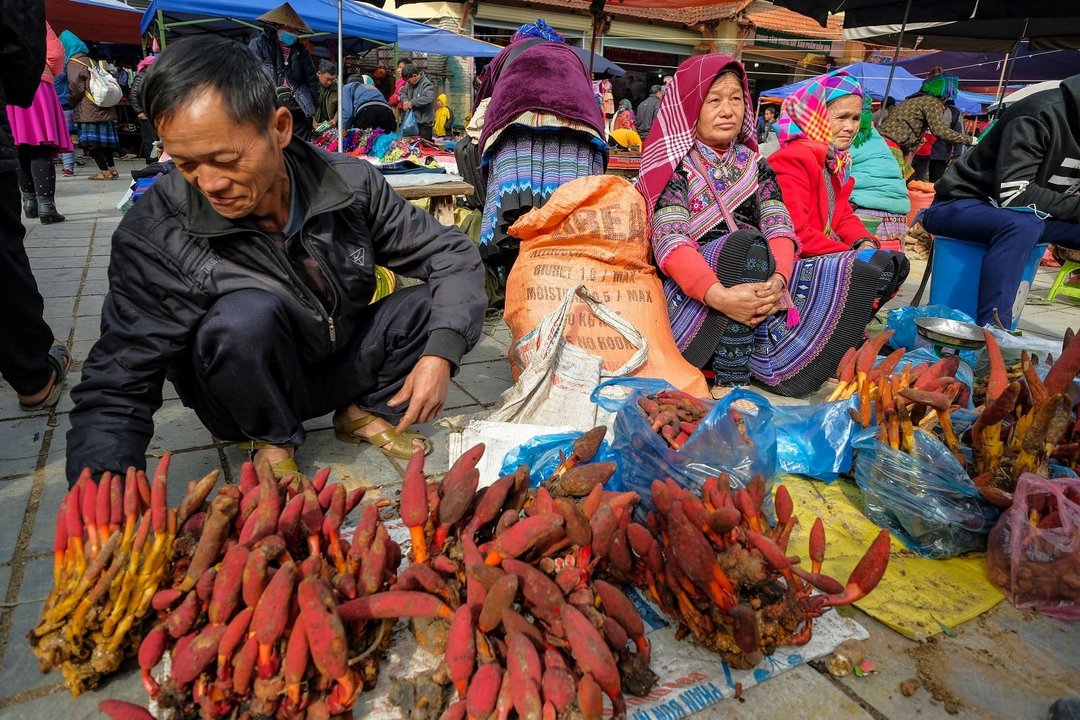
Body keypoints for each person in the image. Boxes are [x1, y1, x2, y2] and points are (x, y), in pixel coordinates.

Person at [65, 36, 486, 486]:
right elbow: (120, 376)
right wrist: (100, 495)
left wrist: (441, 355)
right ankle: (272, 438)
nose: (209, 183)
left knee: (435, 309)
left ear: (280, 127)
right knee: (244, 317)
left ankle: (361, 412)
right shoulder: (156, 232)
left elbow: (451, 253)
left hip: (336, 362)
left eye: (225, 159)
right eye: (186, 164)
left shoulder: (350, 184)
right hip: (243, 389)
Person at [636, 54, 796, 392]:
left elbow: (779, 226)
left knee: (876, 268)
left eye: (736, 98)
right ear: (692, 105)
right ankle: (730, 381)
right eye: (715, 100)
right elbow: (672, 242)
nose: (728, 110)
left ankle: (774, 357)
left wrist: (779, 280)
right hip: (697, 294)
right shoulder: (675, 168)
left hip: (759, 286)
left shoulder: (756, 166)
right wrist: (720, 296)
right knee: (746, 244)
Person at [766, 71, 909, 395]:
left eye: (856, 117)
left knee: (893, 263)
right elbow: (796, 231)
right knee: (863, 269)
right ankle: (821, 346)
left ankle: (842, 337)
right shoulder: (792, 160)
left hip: (821, 252)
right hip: (793, 261)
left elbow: (842, 213)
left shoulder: (832, 161)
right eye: (841, 116)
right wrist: (852, 255)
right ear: (817, 115)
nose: (850, 126)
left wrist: (865, 242)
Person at [921, 74, 1080, 327]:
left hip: (1032, 219)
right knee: (1022, 225)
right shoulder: (1040, 114)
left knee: (1028, 223)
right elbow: (1015, 195)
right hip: (961, 205)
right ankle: (993, 332)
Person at [1, 0, 71, 412]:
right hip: (28, 93)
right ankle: (32, 377)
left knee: (27, 153)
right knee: (38, 149)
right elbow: (26, 48)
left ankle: (35, 203)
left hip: (19, 101)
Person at [7, 20, 71, 223]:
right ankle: (46, 207)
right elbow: (55, 53)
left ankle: (30, 203)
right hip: (35, 84)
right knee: (40, 146)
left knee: (19, 147)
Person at [878, 74, 973, 179]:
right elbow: (939, 130)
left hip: (881, 142)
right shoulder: (932, 102)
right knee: (891, 182)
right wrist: (970, 140)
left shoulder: (913, 99)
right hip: (892, 146)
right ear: (944, 95)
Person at [248, 2, 320, 142]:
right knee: (273, 145)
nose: (293, 32)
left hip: (299, 107)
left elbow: (311, 80)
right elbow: (251, 77)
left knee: (300, 146)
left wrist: (313, 106)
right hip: (269, 106)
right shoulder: (258, 44)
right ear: (278, 26)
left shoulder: (301, 52)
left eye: (295, 30)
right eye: (289, 28)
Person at [848, 94, 912, 247]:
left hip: (865, 217)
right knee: (886, 268)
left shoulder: (845, 139)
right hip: (899, 222)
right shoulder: (879, 140)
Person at [64, 31, 118, 181]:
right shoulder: (90, 60)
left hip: (88, 109)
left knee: (91, 143)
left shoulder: (73, 63)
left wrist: (71, 102)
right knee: (104, 143)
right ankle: (112, 169)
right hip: (102, 106)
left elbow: (75, 87)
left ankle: (104, 171)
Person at [129, 52, 159, 163]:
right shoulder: (141, 77)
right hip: (145, 113)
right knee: (150, 138)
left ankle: (155, 159)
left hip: (152, 112)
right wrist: (139, 111)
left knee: (154, 138)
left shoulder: (150, 77)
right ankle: (152, 160)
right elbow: (133, 94)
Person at [928, 99, 965, 182]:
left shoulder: (953, 111)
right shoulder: (953, 111)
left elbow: (959, 132)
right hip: (935, 153)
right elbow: (959, 132)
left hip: (937, 154)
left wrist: (958, 154)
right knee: (932, 183)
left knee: (927, 183)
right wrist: (958, 155)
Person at [400, 63, 436, 140]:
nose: (408, 83)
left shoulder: (427, 84)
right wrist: (405, 101)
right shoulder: (409, 85)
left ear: (414, 76)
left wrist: (412, 103)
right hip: (411, 124)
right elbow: (403, 92)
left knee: (423, 149)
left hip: (424, 126)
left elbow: (427, 98)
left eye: (409, 81)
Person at [313, 60, 338, 130]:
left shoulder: (338, 88)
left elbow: (342, 107)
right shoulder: (311, 87)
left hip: (331, 126)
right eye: (327, 79)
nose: (330, 82)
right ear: (319, 73)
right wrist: (312, 121)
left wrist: (335, 118)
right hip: (313, 126)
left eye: (333, 79)